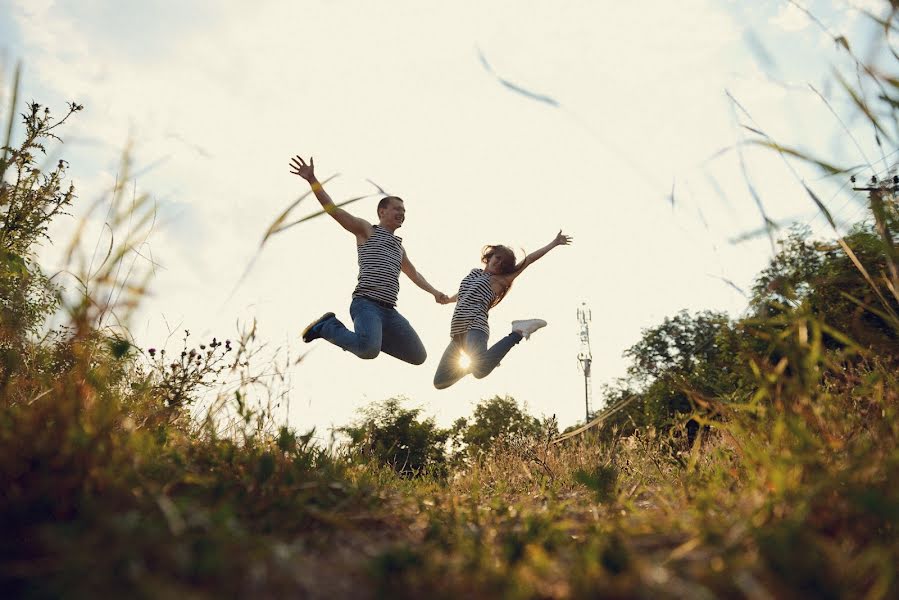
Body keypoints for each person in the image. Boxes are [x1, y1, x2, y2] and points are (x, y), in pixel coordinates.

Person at [289, 155, 448, 365]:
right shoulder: (366, 230)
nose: (402, 213)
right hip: (366, 305)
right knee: (368, 350)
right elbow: (334, 210)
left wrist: (435, 293)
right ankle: (328, 326)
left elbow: (414, 274)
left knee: (417, 356)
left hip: (389, 311)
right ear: (382, 212)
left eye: (404, 211)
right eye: (397, 209)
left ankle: (371, 338)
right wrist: (313, 181)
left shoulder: (399, 247)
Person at [433, 230, 572, 389]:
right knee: (440, 381)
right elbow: (465, 293)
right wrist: (449, 299)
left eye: (504, 264)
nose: (499, 263)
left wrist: (553, 243)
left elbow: (530, 259)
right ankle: (489, 358)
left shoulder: (500, 280)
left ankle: (517, 333)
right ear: (490, 256)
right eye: (498, 258)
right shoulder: (474, 273)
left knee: (479, 371)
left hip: (475, 327)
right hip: (457, 334)